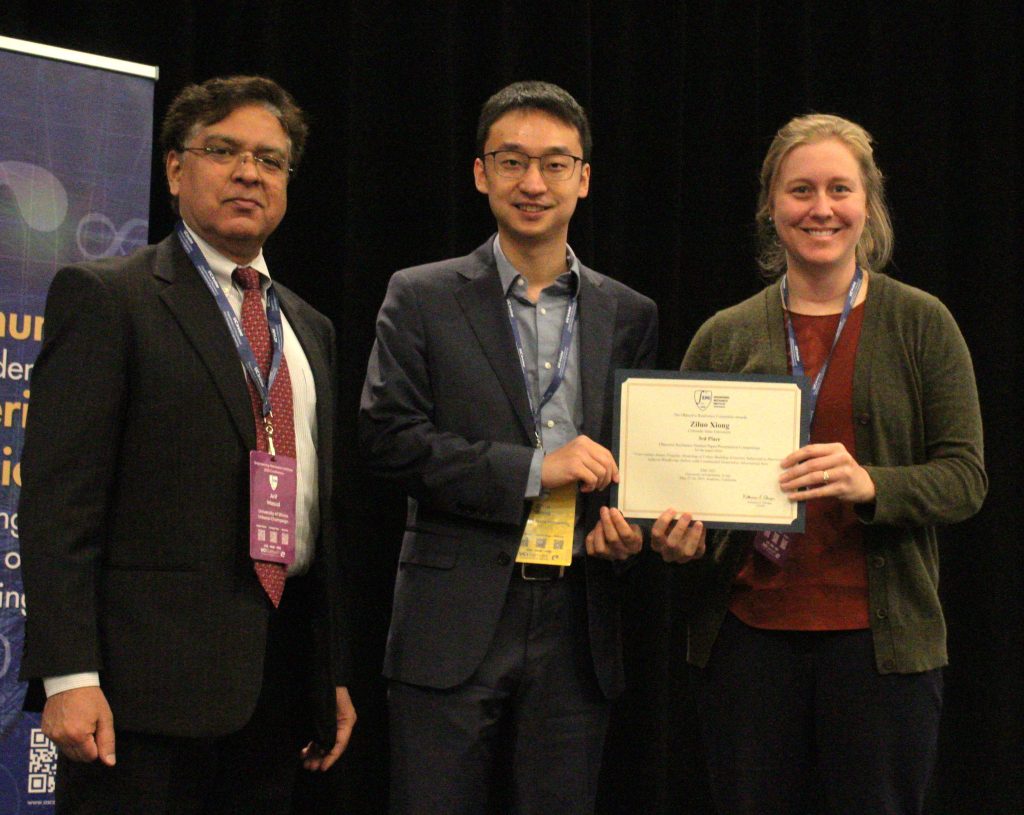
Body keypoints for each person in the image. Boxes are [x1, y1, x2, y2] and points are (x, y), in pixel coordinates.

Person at [18, 75, 356, 814]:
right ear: (175, 168)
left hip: (275, 688)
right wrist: (69, 677)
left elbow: (314, 521)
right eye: (224, 150)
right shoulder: (109, 297)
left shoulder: (310, 328)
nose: (249, 173)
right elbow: (58, 506)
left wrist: (326, 671)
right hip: (141, 701)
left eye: (271, 160)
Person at [360, 80, 696, 814]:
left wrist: (630, 529)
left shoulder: (629, 311)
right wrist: (535, 469)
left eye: (555, 163)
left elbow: (631, 462)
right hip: (451, 618)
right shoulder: (420, 295)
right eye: (511, 162)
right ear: (481, 173)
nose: (533, 182)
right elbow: (388, 439)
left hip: (579, 620)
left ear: (584, 177)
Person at [655, 113, 987, 814]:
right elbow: (682, 485)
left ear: (868, 206)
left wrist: (873, 483)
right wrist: (677, 538)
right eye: (800, 189)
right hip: (747, 646)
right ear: (772, 208)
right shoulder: (724, 332)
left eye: (840, 188)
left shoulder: (922, 322)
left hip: (880, 651)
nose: (821, 207)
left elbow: (966, 478)